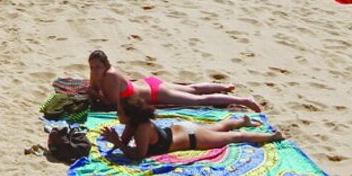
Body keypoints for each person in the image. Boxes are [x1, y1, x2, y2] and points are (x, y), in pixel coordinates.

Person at [100, 95, 282, 161]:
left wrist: (117, 143)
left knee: (234, 138)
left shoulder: (142, 127)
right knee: (217, 127)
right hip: (180, 129)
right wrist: (115, 141)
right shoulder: (133, 123)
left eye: (120, 112)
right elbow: (123, 143)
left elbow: (138, 156)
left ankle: (272, 136)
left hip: (192, 137)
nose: (117, 115)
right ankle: (243, 121)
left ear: (130, 115)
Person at [87, 50, 260, 111]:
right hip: (147, 83)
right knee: (192, 89)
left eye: (97, 67)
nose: (94, 70)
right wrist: (94, 90)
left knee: (198, 100)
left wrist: (96, 95)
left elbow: (113, 103)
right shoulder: (97, 73)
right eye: (92, 67)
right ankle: (224, 87)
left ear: (105, 64)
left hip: (155, 93)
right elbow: (94, 88)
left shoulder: (110, 75)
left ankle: (243, 100)